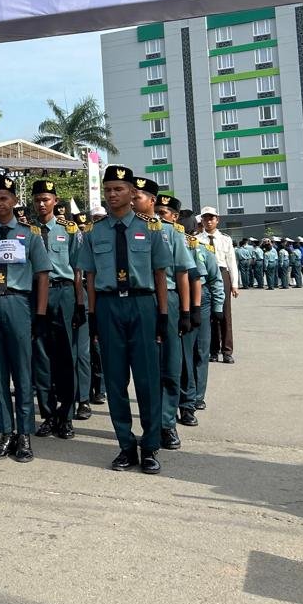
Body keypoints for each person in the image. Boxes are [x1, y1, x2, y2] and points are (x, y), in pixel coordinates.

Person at [75, 164, 170, 475]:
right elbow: (89, 277)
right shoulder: (94, 232)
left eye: (119, 189)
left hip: (142, 305)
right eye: (108, 190)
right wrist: (90, 315)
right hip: (107, 307)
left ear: (132, 193)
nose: (112, 194)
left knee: (146, 380)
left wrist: (162, 316)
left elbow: (159, 276)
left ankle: (151, 445)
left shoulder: (151, 229)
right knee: (115, 381)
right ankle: (126, 446)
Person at [0, 176, 51, 463]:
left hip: (18, 303)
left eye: (4, 198)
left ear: (14, 201)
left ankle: (24, 434)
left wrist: (40, 315)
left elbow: (42, 276)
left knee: (22, 372)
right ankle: (5, 433)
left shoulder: (30, 235)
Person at [142, 187, 194, 453]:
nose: (160, 216)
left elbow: (183, 273)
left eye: (164, 212)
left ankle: (167, 424)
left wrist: (186, 312)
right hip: (142, 300)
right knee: (145, 366)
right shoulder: (129, 230)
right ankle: (151, 423)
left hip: (170, 298)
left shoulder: (172, 233)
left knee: (170, 365)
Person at [29, 179, 79, 441]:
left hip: (63, 293)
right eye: (37, 199)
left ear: (55, 201)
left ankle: (66, 416)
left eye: (46, 199)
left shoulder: (68, 230)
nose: (41, 203)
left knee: (65, 357)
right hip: (36, 293)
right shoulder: (27, 231)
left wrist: (80, 303)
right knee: (41, 358)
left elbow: (78, 269)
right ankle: (48, 415)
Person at [182, 220, 223, 420]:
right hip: (179, 298)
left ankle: (198, 396)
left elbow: (215, 279)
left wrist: (218, 307)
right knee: (184, 352)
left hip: (203, 300)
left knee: (201, 350)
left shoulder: (203, 250)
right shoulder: (170, 245)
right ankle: (187, 396)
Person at [73, 210, 104, 417]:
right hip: (76, 296)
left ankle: (97, 390)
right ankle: (77, 395)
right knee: (76, 352)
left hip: (97, 297)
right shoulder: (74, 241)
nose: (83, 231)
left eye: (86, 227)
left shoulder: (95, 240)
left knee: (93, 351)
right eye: (80, 228)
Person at [197, 206, 238, 363]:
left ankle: (227, 351)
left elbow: (231, 262)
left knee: (225, 314)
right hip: (205, 275)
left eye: (211, 218)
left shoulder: (225, 239)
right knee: (209, 313)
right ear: (202, 220)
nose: (209, 221)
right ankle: (213, 350)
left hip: (222, 274)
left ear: (217, 220)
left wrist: (234, 284)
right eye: (205, 218)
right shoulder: (197, 239)